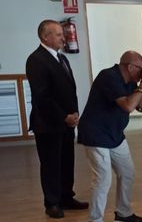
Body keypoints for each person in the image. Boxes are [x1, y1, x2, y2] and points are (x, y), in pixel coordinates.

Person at [78, 51, 142, 222]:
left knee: (127, 172)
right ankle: (95, 220)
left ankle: (123, 213)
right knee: (103, 179)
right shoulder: (108, 77)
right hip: (96, 134)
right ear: (130, 66)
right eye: (141, 69)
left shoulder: (131, 82)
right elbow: (128, 106)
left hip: (114, 134)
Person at [25, 20, 88, 218]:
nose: (64, 38)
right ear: (45, 36)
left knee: (67, 162)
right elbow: (42, 96)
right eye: (59, 34)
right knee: (51, 164)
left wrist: (75, 114)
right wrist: (64, 117)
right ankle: (52, 203)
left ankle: (66, 197)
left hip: (67, 122)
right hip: (48, 124)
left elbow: (70, 90)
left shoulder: (62, 58)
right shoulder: (36, 60)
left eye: (63, 34)